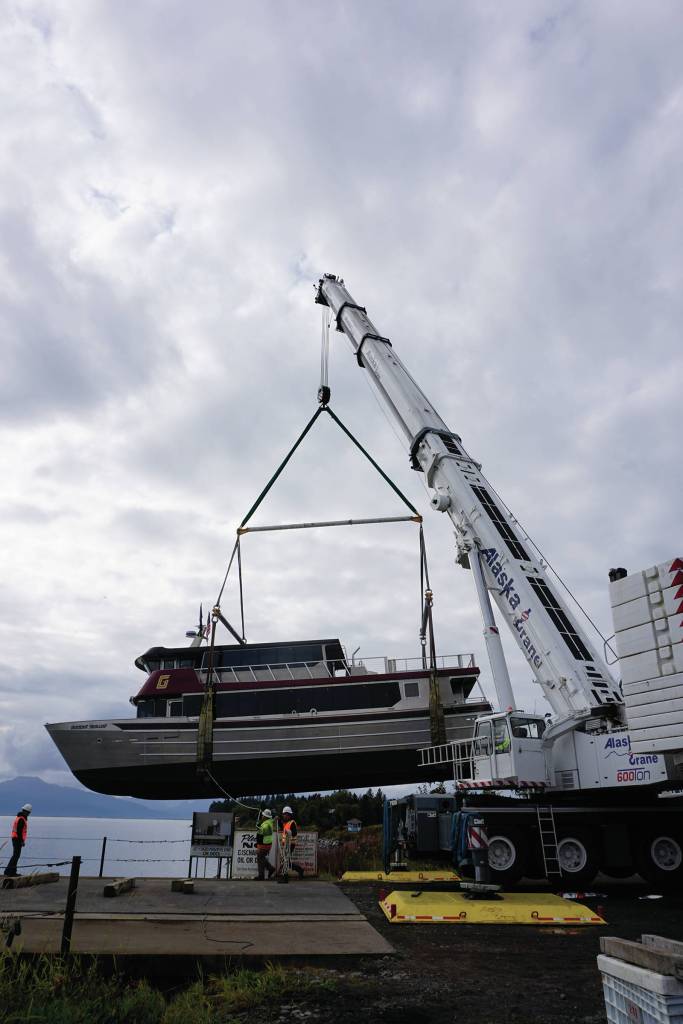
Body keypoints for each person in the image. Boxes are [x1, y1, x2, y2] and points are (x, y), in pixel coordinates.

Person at [4, 804, 32, 877]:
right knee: (16, 856)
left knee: (15, 856)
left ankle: (10, 871)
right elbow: (19, 831)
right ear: (26, 812)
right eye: (28, 813)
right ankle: (10, 872)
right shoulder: (21, 819)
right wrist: (22, 841)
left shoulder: (19, 818)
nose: (29, 814)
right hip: (17, 839)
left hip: (15, 838)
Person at [279, 805, 305, 880]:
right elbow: (282, 828)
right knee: (286, 861)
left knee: (285, 860)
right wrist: (278, 821)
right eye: (284, 814)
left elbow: (294, 833)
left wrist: (288, 832)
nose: (284, 816)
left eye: (286, 814)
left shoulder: (292, 823)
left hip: (290, 844)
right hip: (286, 844)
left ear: (289, 815)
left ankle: (285, 877)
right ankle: (299, 870)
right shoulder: (286, 823)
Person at [253, 809, 275, 880]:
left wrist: (257, 826)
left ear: (265, 817)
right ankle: (270, 869)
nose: (262, 816)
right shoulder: (269, 822)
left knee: (260, 858)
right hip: (266, 844)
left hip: (264, 844)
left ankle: (261, 876)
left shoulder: (266, 824)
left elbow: (261, 832)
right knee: (261, 858)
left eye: (263, 815)